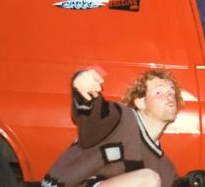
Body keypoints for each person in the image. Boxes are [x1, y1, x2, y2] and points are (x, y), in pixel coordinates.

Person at [42, 67, 183, 187]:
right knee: (148, 180)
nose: (170, 96)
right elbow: (93, 116)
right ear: (140, 102)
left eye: (172, 92)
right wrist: (83, 90)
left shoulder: (166, 169)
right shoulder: (119, 118)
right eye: (159, 92)